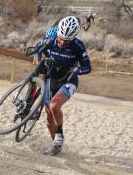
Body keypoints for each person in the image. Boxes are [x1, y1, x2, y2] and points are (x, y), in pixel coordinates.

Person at [33, 16, 91, 156]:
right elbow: (38, 47)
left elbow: (87, 67)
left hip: (68, 81)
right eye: (61, 38)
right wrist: (37, 55)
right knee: (49, 118)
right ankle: (56, 144)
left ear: (73, 37)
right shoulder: (51, 39)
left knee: (54, 106)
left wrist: (77, 70)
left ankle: (60, 136)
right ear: (58, 32)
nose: (62, 42)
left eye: (67, 40)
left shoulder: (78, 46)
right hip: (50, 79)